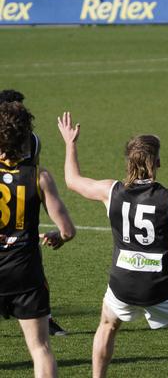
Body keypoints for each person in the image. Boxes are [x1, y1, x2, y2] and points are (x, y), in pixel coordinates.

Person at [57, 112, 168, 378]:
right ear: (156, 162)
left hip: (122, 284)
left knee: (107, 325)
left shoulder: (111, 191)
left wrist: (70, 143)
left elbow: (72, 180)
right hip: (159, 288)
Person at [0, 101, 76, 377]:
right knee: (40, 348)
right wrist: (59, 237)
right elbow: (67, 230)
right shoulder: (38, 176)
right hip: (24, 274)